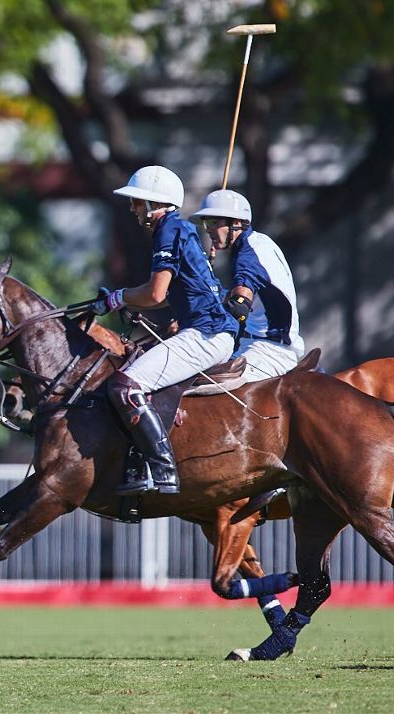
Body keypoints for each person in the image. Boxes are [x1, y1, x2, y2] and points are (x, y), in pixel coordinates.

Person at [92, 166, 238, 494]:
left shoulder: (168, 229)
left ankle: (161, 469)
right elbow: (164, 296)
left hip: (206, 334)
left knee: (124, 387)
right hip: (205, 329)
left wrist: (117, 298)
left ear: (153, 205)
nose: (132, 210)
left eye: (136, 203)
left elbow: (155, 293)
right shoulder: (177, 229)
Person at [189, 189, 304, 381]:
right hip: (256, 345)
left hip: (269, 352)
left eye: (213, 222)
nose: (208, 229)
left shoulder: (248, 255)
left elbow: (239, 307)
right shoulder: (257, 242)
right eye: (205, 223)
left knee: (201, 390)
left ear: (236, 223)